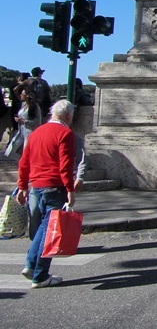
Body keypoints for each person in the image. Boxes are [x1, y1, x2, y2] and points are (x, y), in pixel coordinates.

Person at [16, 99, 77, 287]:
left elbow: (24, 162)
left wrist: (23, 186)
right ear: (67, 116)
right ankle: (40, 274)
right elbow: (65, 165)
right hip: (54, 185)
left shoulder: (36, 133)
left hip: (37, 185)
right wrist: (70, 189)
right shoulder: (65, 133)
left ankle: (31, 264)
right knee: (51, 230)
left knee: (44, 226)